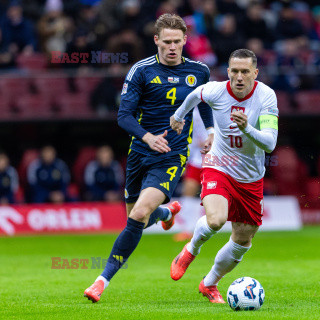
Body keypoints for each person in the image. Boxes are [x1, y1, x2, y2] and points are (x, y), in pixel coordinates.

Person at [83, 14, 215, 303]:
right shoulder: (141, 71)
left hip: (172, 155)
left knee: (138, 215)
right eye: (166, 42)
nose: (172, 47)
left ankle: (100, 281)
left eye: (177, 42)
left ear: (185, 41)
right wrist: (147, 137)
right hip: (140, 153)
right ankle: (167, 213)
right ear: (156, 40)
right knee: (136, 217)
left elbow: (203, 103)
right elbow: (123, 116)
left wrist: (211, 131)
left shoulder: (199, 71)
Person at [169, 49, 279, 304]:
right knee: (216, 220)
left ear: (255, 73)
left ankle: (209, 284)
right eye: (234, 71)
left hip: (251, 176)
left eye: (245, 72)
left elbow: (270, 144)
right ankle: (190, 250)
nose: (239, 77)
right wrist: (177, 117)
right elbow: (194, 94)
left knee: (243, 239)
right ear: (228, 71)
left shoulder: (266, 96)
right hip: (219, 164)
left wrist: (246, 128)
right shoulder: (217, 90)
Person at [174, 108, 207, 242]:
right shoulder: (192, 112)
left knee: (216, 193)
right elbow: (188, 138)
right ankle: (187, 230)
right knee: (188, 192)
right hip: (197, 160)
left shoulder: (219, 108)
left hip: (215, 160)